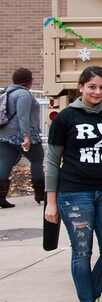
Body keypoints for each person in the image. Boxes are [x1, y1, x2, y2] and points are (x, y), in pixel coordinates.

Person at [43, 66, 102, 302]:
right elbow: (53, 161)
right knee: (82, 252)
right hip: (74, 193)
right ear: (80, 87)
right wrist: (51, 202)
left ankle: (94, 298)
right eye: (91, 87)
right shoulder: (66, 117)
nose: (97, 92)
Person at [0, 67, 45, 207]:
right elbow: (22, 116)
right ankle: (40, 194)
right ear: (29, 81)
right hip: (23, 133)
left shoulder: (6, 91)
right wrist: (26, 136)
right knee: (37, 160)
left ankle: (1, 197)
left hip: (5, 134)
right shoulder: (23, 94)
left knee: (4, 164)